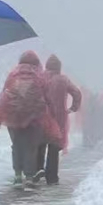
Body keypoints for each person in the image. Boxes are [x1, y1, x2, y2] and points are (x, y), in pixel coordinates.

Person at [0, 51, 51, 187]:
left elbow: (3, 98)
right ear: (36, 62)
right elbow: (47, 98)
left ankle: (18, 176)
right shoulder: (40, 76)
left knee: (17, 146)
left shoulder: (12, 75)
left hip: (13, 116)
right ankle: (29, 177)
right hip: (34, 117)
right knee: (31, 147)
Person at [36, 54, 81, 185]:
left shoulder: (40, 78)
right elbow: (77, 93)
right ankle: (52, 178)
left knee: (40, 144)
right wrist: (73, 108)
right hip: (58, 118)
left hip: (41, 116)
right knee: (54, 148)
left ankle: (38, 171)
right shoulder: (63, 80)